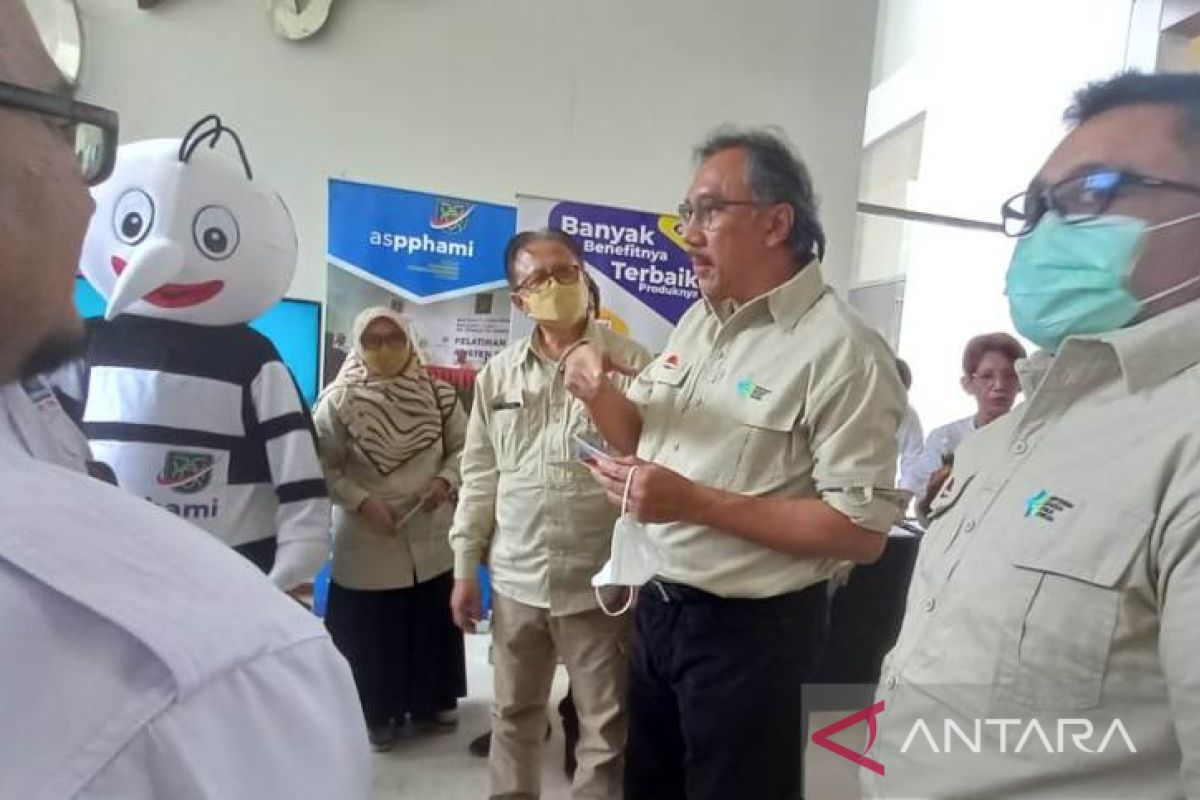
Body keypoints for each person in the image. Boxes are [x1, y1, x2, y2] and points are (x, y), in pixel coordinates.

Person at [0, 3, 369, 797]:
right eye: (67, 131)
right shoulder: (81, 348)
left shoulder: (253, 360)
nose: (90, 197)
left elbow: (299, 483)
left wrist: (287, 582)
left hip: (230, 578)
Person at [867, 71, 1200, 799]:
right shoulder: (1014, 433)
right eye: (1038, 207)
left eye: (1090, 194)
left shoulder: (1184, 443)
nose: (1047, 231)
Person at [562, 128, 908, 800]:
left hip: (754, 637)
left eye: (709, 211)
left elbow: (860, 533)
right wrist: (598, 392)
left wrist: (691, 502)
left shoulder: (845, 353)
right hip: (659, 610)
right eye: (686, 213)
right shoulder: (698, 322)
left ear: (778, 222)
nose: (687, 233)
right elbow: (643, 435)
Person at [449, 228, 650, 800]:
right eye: (538, 280)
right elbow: (480, 475)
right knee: (513, 716)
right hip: (518, 578)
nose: (557, 286)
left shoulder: (634, 363)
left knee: (605, 729)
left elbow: (660, 463)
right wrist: (466, 567)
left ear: (586, 277)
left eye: (567, 272)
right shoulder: (498, 375)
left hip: (601, 583)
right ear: (519, 299)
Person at [315, 307, 468, 752]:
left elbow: (465, 449)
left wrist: (445, 481)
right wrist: (361, 501)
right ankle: (374, 711)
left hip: (429, 526)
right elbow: (323, 465)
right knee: (371, 628)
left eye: (394, 339)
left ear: (409, 342)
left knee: (429, 616)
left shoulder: (439, 395)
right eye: (373, 341)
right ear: (358, 346)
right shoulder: (337, 401)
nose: (385, 349)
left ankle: (433, 700)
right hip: (368, 531)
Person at [909, 332, 1026, 521]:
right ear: (968, 384)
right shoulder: (945, 439)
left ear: (1021, 382)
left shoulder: (1031, 437)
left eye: (1009, 375)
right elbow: (925, 516)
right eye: (987, 376)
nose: (999, 385)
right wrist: (931, 497)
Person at [893, 358, 925, 503]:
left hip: (879, 493)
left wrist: (904, 496)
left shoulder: (908, 415)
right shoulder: (847, 407)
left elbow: (914, 459)